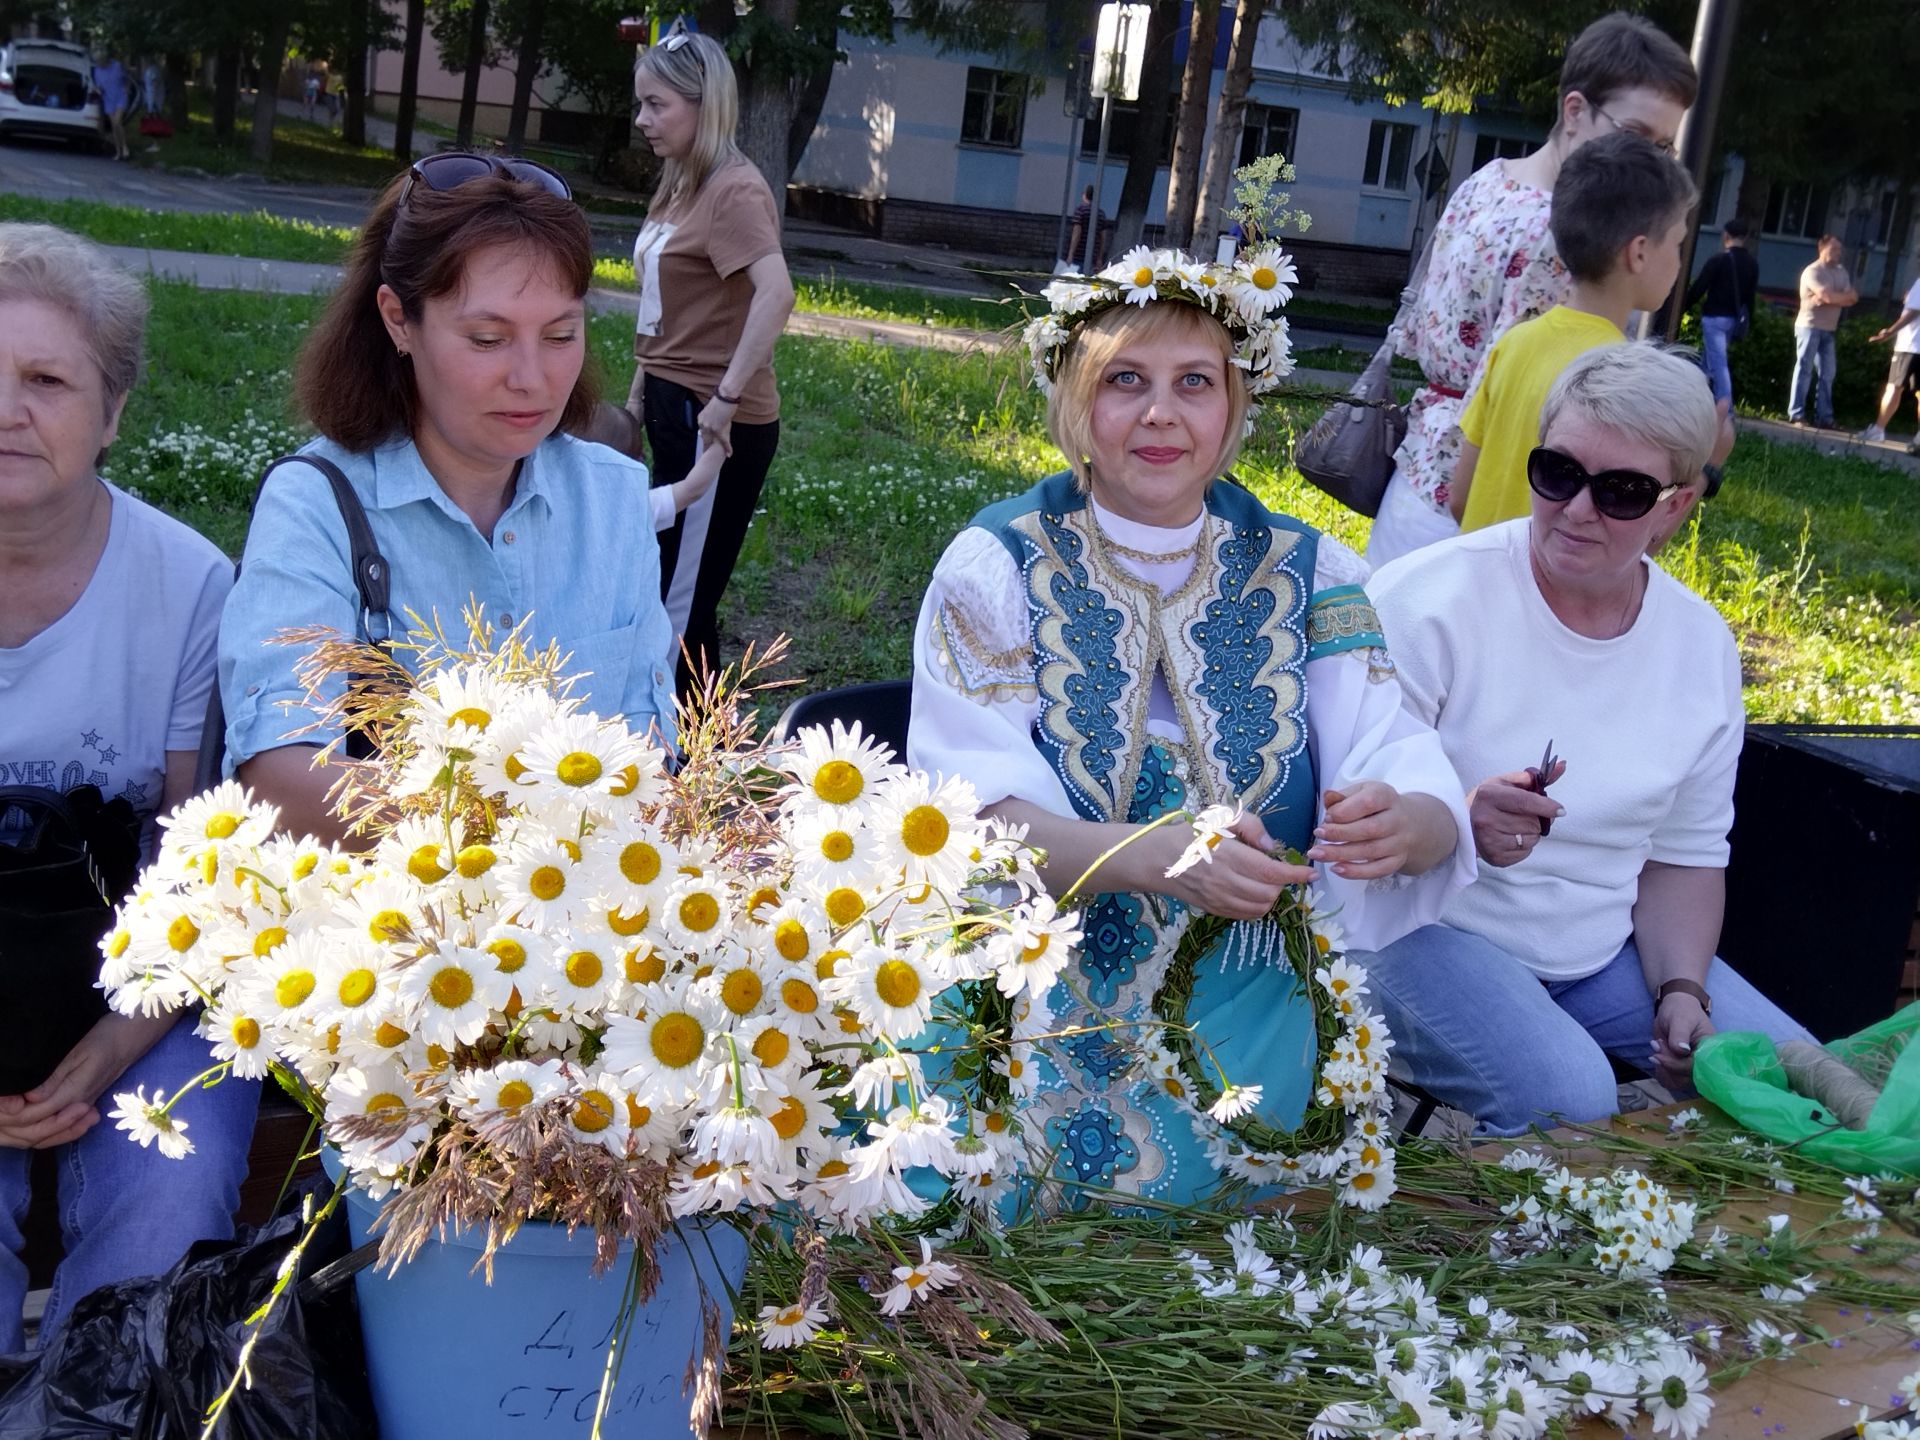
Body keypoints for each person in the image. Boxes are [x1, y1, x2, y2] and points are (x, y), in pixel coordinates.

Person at [908, 253, 1473, 1208]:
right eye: (1126, 380)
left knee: (1230, 1224)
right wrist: (1158, 858)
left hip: (1243, 998)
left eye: (1194, 384)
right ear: (1074, 400)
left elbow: (1401, 758)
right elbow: (973, 815)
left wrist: (1410, 824)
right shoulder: (994, 567)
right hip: (1031, 980)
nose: (1160, 413)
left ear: (1236, 405)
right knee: (975, 1194)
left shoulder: (1314, 574)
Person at [1365, 344, 1811, 1136]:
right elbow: (1344, 824)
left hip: (1599, 951)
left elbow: (1685, 854)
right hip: (1420, 927)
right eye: (1558, 473)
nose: (1577, 509)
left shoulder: (1699, 646)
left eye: (1622, 492)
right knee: (1573, 1101)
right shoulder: (1426, 600)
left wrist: (1682, 992)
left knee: (1790, 1077)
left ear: (1675, 506)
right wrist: (1457, 819)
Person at [219, 155, 680, 845]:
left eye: (561, 334)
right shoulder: (317, 504)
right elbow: (280, 777)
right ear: (398, 321)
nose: (532, 378)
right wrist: (524, 831)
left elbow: (653, 756)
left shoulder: (612, 497)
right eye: (488, 339)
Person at [0, 223, 256, 1352]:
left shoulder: (192, 584)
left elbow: (204, 866)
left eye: (46, 381)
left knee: (170, 1184)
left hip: (134, 985)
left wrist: (109, 1046)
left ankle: (93, 1407)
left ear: (111, 415)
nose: (9, 411)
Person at [1364, 12, 1696, 567]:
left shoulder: (1489, 179)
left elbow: (1423, 328)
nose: (1649, 162)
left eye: (1664, 147)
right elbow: (1551, 411)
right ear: (1574, 110)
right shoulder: (1567, 238)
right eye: (1638, 136)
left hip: (1417, 476)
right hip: (1490, 513)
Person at [626, 26, 795, 692]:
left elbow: (776, 294)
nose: (642, 120)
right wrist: (640, 395)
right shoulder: (678, 185)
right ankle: (688, 749)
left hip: (716, 421)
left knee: (680, 599)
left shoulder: (734, 191)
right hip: (675, 402)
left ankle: (684, 760)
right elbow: (664, 306)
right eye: (640, 104)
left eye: (656, 104)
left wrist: (723, 401)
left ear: (705, 105)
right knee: (669, 582)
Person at [1449, 132, 1702, 532]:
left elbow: (1460, 498)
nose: (1678, 260)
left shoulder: (1513, 343)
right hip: (1550, 592)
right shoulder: (1631, 378)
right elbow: (1635, 538)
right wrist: (1705, 467)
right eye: (1677, 243)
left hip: (1479, 577)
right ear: (1638, 252)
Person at [1683, 216, 1758, 405]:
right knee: (1708, 362)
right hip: (1733, 320)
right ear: (1745, 237)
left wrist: (1682, 307)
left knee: (1718, 364)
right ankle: (1696, 401)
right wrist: (1749, 322)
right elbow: (1750, 298)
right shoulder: (1751, 263)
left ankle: (1726, 409)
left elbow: (1700, 287)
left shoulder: (1719, 260)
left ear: (1726, 236)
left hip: (1714, 316)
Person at [1787, 234, 1856, 430]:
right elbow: (1827, 295)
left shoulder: (1841, 271)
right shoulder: (1812, 271)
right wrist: (1838, 297)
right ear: (1822, 248)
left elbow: (1853, 297)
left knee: (1828, 373)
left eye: (1839, 250)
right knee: (1804, 369)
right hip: (1809, 326)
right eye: (1834, 249)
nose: (1838, 253)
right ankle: (1797, 414)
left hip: (1829, 329)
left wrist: (1833, 297)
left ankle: (1824, 417)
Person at [1858, 270, 1920, 453]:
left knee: (1894, 387)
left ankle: (1877, 430)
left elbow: (1913, 312)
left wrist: (1890, 331)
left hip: (1910, 344)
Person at [90, 51, 130, 162]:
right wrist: (97, 90)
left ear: (104, 59)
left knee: (117, 122)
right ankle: (118, 151)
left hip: (120, 96)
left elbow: (126, 78)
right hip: (108, 99)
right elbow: (99, 87)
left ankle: (125, 147)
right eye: (97, 62)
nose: (98, 64)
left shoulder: (117, 66)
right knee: (114, 126)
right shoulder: (97, 71)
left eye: (99, 61)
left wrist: (127, 87)